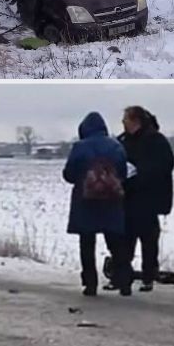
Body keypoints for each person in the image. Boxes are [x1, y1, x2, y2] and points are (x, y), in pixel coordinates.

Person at [62, 112, 131, 297]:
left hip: (85, 201)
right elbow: (123, 172)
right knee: (116, 243)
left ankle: (90, 284)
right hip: (112, 200)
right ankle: (125, 281)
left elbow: (69, 174)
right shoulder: (116, 145)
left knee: (87, 243)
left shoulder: (79, 147)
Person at [117, 106, 174, 292]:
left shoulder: (156, 140)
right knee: (125, 240)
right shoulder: (122, 141)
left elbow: (165, 166)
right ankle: (122, 276)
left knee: (148, 241)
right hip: (127, 198)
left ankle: (148, 276)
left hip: (148, 199)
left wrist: (139, 173)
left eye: (126, 119)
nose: (123, 122)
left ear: (136, 121)